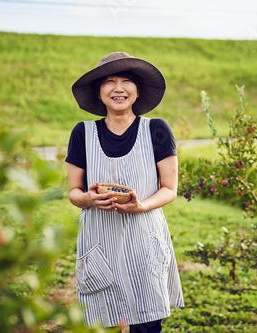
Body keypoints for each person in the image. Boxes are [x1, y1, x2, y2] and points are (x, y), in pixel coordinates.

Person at [66, 51, 184, 332]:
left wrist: (140, 205)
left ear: (137, 90)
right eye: (109, 81)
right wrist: (88, 198)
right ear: (99, 91)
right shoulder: (82, 133)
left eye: (126, 80)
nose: (118, 88)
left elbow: (169, 189)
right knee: (102, 322)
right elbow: (74, 192)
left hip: (144, 240)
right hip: (99, 242)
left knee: (146, 325)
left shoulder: (156, 129)